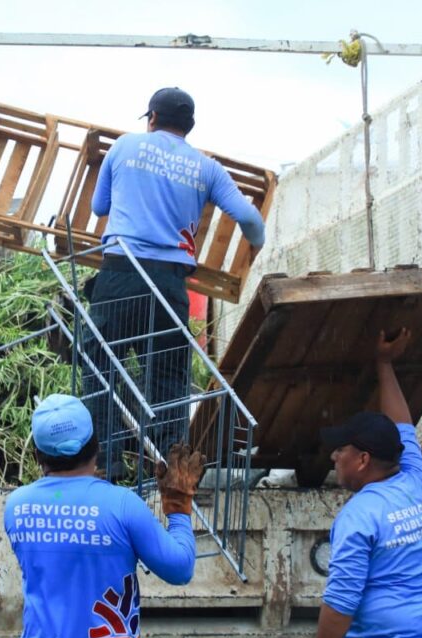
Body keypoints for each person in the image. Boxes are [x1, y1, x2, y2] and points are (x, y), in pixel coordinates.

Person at [85, 87, 266, 475]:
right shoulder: (207, 168)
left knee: (102, 363)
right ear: (191, 127)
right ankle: (168, 464)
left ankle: (108, 461)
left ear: (151, 119)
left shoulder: (124, 147)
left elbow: (99, 207)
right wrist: (258, 244)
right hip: (169, 285)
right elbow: (248, 218)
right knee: (167, 374)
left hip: (120, 273)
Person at [4, 394, 203, 638]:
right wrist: (178, 507)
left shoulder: (17, 506)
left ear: (37, 455)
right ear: (97, 446)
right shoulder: (122, 505)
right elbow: (180, 568)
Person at [302, 329, 422, 638]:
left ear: (362, 460)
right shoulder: (417, 478)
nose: (332, 457)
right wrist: (384, 363)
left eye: (339, 450)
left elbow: (341, 600)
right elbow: (402, 425)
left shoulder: (358, 517)